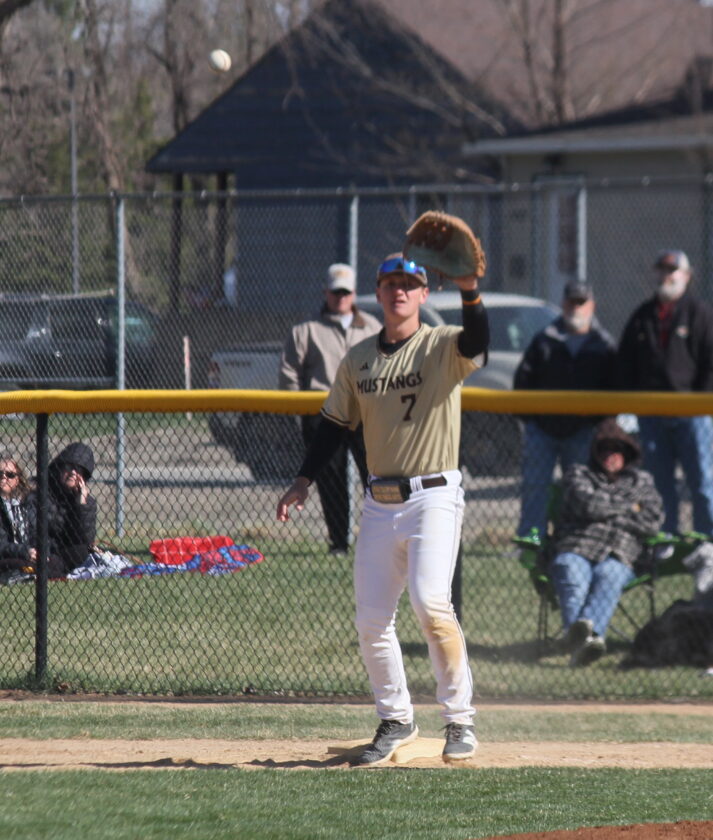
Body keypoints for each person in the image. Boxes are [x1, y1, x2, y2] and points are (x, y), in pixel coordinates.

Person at [277, 251, 489, 766]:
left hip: (434, 495)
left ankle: (460, 720)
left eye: (409, 284)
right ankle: (396, 719)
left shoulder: (441, 344)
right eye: (391, 283)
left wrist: (470, 291)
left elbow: (478, 341)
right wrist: (303, 480)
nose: (399, 290)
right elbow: (334, 425)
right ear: (378, 292)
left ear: (424, 294)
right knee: (372, 620)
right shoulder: (358, 358)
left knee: (430, 603)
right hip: (379, 501)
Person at [279, 263, 381, 555]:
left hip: (364, 413)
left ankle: (377, 538)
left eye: (345, 293)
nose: (340, 298)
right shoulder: (306, 330)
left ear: (354, 294)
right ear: (325, 292)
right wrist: (297, 409)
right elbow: (289, 373)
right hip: (322, 414)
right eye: (335, 292)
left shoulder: (373, 328)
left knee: (375, 477)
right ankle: (339, 543)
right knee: (331, 478)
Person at [549, 417, 664, 666]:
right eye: (603, 450)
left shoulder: (642, 481)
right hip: (578, 546)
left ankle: (580, 642)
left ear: (627, 453)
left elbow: (653, 521)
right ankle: (589, 643)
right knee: (571, 571)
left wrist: (608, 509)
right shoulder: (579, 475)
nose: (609, 456)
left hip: (621, 552)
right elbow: (590, 506)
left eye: (616, 450)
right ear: (595, 453)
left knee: (609, 575)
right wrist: (631, 507)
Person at [617, 249, 713, 536]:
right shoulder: (643, 315)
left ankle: (706, 542)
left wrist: (701, 402)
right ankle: (665, 540)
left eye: (672, 271)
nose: (666, 276)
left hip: (692, 414)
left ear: (687, 276)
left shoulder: (699, 313)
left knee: (702, 481)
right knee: (659, 485)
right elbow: (625, 363)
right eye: (662, 270)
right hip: (652, 415)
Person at [514, 280, 616, 538]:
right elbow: (523, 381)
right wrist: (532, 420)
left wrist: (598, 422)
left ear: (592, 306)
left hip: (583, 431)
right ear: (563, 303)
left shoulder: (603, 343)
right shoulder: (545, 339)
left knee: (581, 489)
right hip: (543, 430)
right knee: (535, 486)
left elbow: (615, 387)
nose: (576, 308)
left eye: (581, 302)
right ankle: (531, 538)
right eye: (571, 302)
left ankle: (575, 538)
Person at [44, 442, 98, 576]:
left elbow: (85, 538)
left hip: (68, 552)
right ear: (59, 469)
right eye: (68, 467)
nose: (73, 473)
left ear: (84, 477)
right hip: (46, 551)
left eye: (79, 469)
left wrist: (81, 504)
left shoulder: (87, 502)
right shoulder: (42, 493)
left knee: (83, 551)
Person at [0, 453, 37, 583]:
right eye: (0, 474)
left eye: (10, 475)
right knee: (18, 564)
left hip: (27, 554)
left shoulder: (26, 503)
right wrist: (24, 551)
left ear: (17, 479)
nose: (4, 477)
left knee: (54, 561)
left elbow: (35, 532)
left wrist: (38, 551)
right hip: (7, 556)